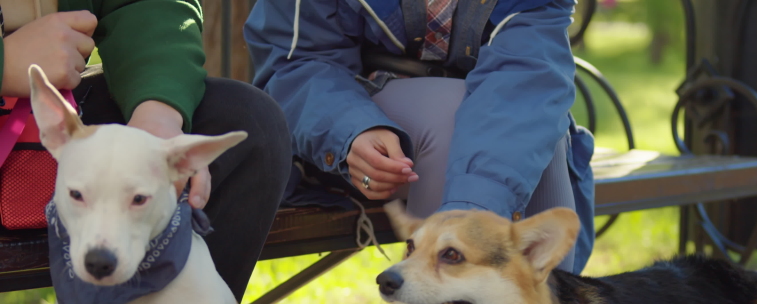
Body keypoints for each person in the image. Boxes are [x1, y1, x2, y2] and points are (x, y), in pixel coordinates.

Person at [0, 2, 289, 304]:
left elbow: (149, 5)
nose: (100, 246)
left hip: (62, 92)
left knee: (252, 119)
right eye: (78, 197)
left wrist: (160, 109)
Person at [244, 0, 595, 274]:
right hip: (340, 132)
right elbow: (297, 63)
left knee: (543, 137)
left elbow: (526, 85)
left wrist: (471, 211)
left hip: (484, 130)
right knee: (450, 119)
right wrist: (352, 131)